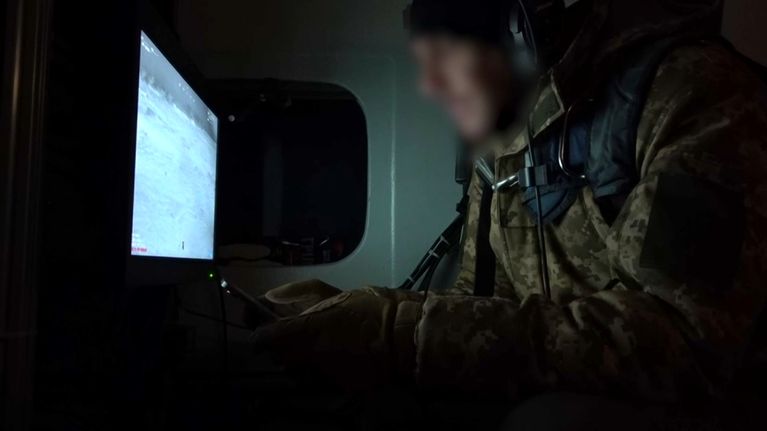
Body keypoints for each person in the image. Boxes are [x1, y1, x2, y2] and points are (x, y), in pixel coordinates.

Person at [252, 0, 767, 428]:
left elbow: (682, 347)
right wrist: (357, 314)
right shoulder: (501, 146)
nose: (429, 84)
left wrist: (394, 330)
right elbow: (481, 304)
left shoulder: (695, 94)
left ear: (517, 29)